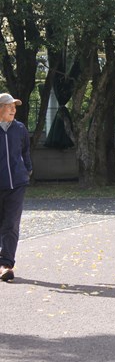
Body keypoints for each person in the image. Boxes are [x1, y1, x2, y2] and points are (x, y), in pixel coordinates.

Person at [0, 93, 32, 282]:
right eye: (9, 106)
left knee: (11, 224)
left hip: (17, 185)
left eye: (14, 106)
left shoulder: (19, 128)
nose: (13, 109)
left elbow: (25, 150)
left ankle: (6, 264)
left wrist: (27, 169)